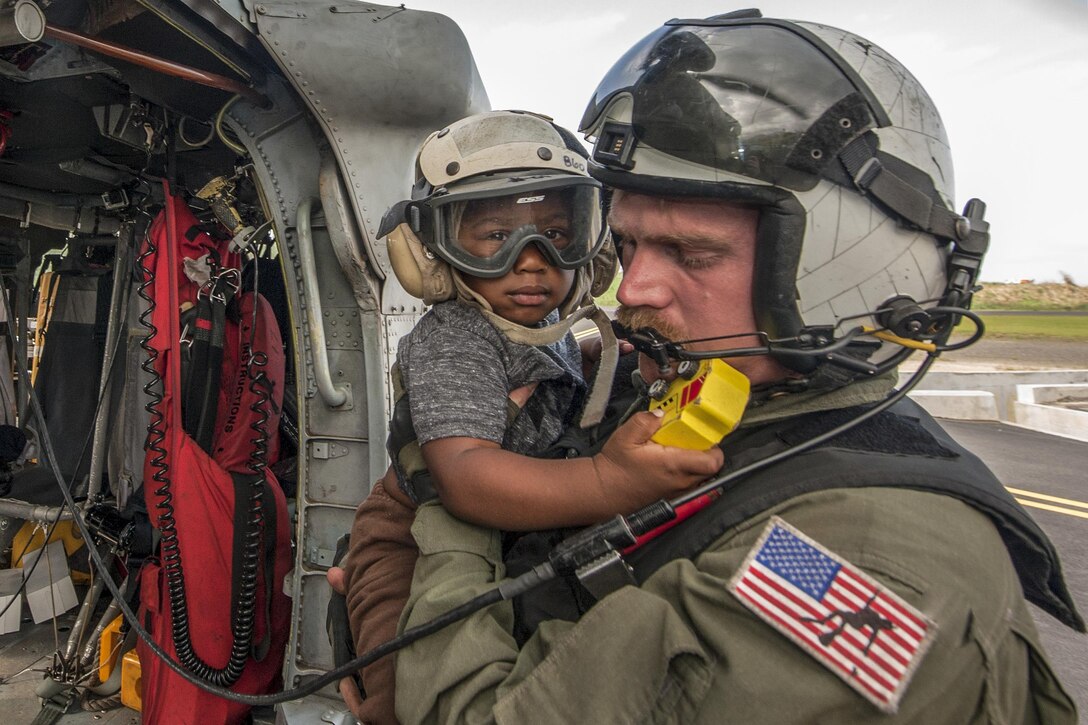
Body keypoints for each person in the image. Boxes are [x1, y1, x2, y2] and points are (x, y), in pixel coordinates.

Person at [373, 11, 1085, 724]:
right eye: (628, 243)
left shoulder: (863, 569)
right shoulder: (692, 391)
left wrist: (427, 535)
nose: (637, 288)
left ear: (838, 273)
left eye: (692, 254)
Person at [332, 110, 722, 724]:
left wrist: (616, 348)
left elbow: (557, 358)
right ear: (434, 252)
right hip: (406, 533)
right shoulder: (457, 338)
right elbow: (465, 477)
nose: (532, 260)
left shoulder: (541, 325)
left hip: (499, 528)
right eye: (494, 237)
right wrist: (609, 484)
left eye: (556, 235)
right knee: (400, 695)